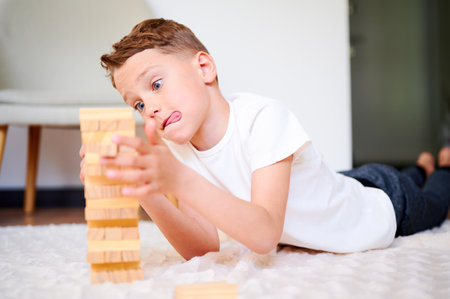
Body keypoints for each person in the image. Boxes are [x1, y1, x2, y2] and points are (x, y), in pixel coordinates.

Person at [79, 18, 450, 260]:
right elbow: (203, 247)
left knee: (434, 196)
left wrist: (175, 179)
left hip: (379, 205)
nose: (152, 108)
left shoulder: (263, 118)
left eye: (157, 84)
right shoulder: (180, 148)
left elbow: (264, 236)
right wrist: (148, 192)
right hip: (343, 182)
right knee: (394, 174)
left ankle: (438, 168)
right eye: (139, 104)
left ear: (204, 68)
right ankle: (420, 166)